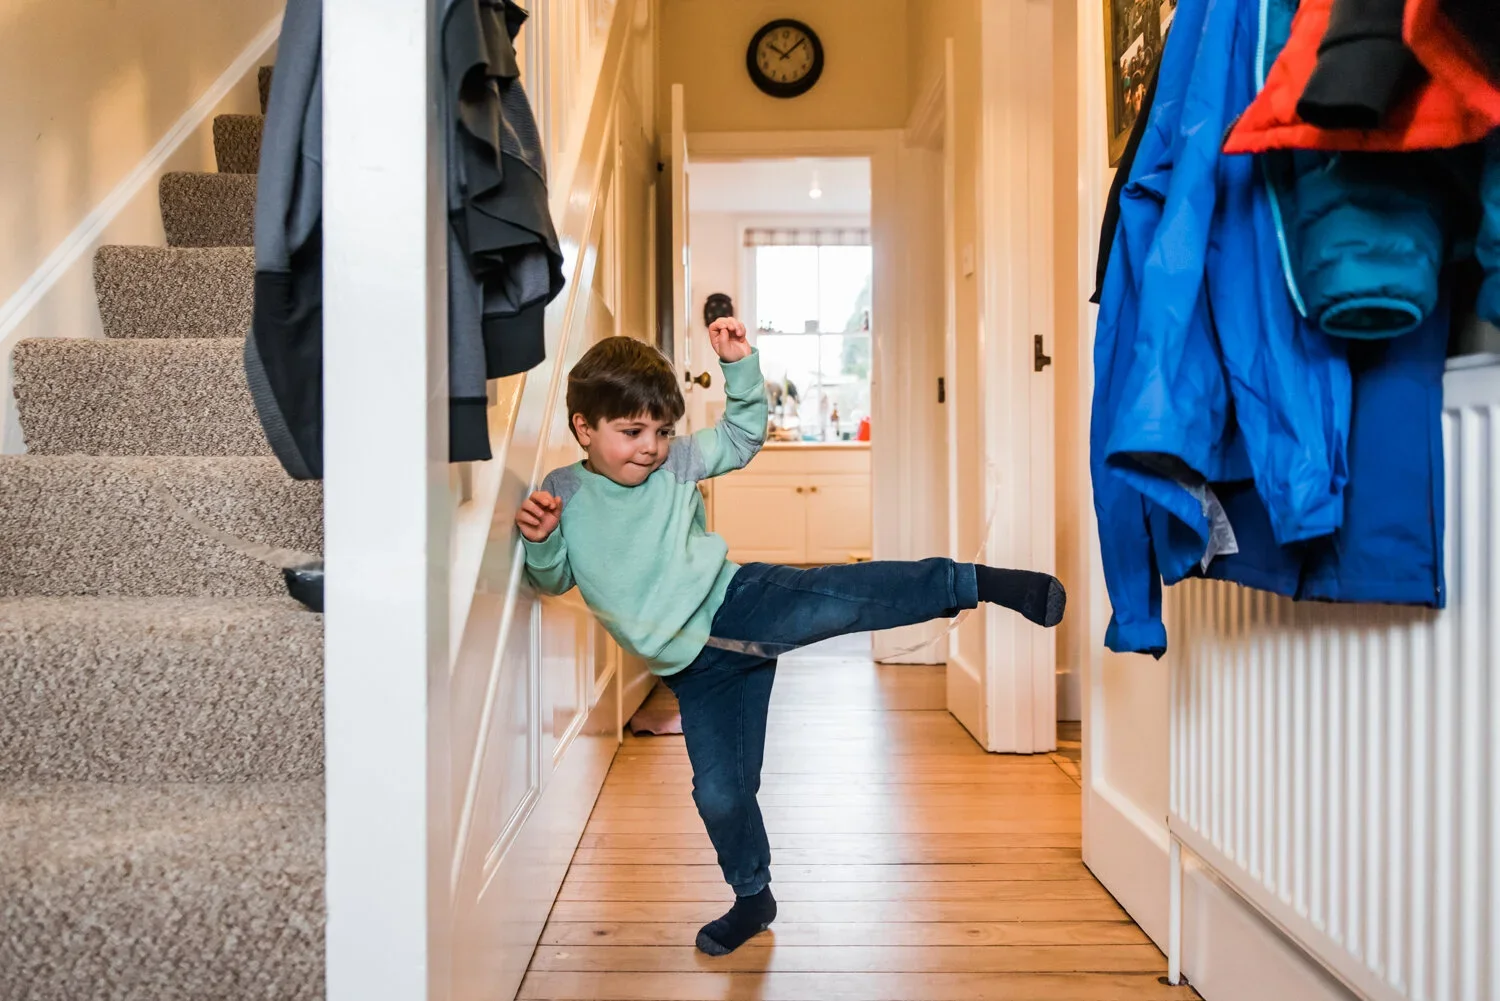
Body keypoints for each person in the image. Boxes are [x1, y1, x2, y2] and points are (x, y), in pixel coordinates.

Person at [515, 318, 1067, 956]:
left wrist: (739, 367)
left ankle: (983, 583)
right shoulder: (565, 493)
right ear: (584, 428)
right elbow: (554, 579)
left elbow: (743, 435)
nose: (650, 447)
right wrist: (540, 538)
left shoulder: (677, 464)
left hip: (741, 605)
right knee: (721, 792)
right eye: (632, 432)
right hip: (697, 673)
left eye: (662, 432)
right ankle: (753, 897)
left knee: (849, 597)